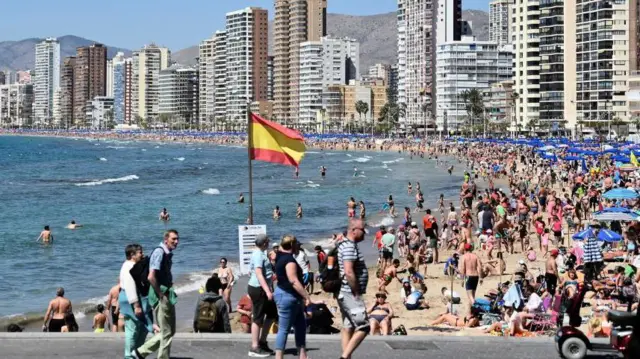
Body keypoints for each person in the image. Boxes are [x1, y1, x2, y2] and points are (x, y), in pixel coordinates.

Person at [131, 229, 179, 359]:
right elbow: (151, 277)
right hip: (161, 295)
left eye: (177, 239)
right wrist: (160, 294)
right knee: (166, 331)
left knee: (169, 331)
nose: (176, 241)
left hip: (166, 293)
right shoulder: (159, 252)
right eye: (173, 239)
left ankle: (140, 352)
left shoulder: (167, 253)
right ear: (166, 240)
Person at [274, 235, 316, 359]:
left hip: (289, 295)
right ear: (292, 245)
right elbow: (293, 281)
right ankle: (278, 356)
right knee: (284, 329)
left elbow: (278, 249)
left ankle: (303, 355)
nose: (298, 246)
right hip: (288, 296)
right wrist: (307, 297)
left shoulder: (280, 256)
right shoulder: (289, 260)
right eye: (297, 244)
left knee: (301, 326)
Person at [337, 219, 369, 359]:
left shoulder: (345, 244)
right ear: (354, 230)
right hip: (350, 293)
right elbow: (349, 271)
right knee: (364, 326)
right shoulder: (349, 247)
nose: (365, 233)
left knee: (348, 326)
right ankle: (344, 357)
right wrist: (356, 292)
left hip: (344, 292)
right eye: (363, 230)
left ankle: (346, 356)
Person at [247, 234, 277, 357]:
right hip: (258, 289)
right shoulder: (258, 254)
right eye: (268, 241)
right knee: (258, 317)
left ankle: (263, 342)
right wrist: (268, 290)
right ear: (264, 243)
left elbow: (250, 271)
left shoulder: (261, 253)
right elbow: (258, 274)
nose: (269, 243)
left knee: (272, 313)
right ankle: (254, 347)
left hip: (262, 288)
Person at [119, 244, 150, 359]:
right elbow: (130, 286)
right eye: (140, 253)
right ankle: (130, 355)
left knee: (140, 328)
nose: (142, 254)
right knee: (133, 329)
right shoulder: (129, 267)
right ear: (132, 255)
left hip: (130, 298)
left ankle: (136, 353)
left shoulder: (130, 265)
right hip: (130, 299)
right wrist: (136, 305)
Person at [459, 244, 483, 312]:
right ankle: (471, 312)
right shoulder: (475, 256)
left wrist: (462, 279)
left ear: (464, 249)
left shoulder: (463, 257)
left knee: (470, 296)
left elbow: (462, 269)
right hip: (476, 276)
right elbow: (480, 267)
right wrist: (481, 277)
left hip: (468, 276)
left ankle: (476, 307)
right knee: (473, 295)